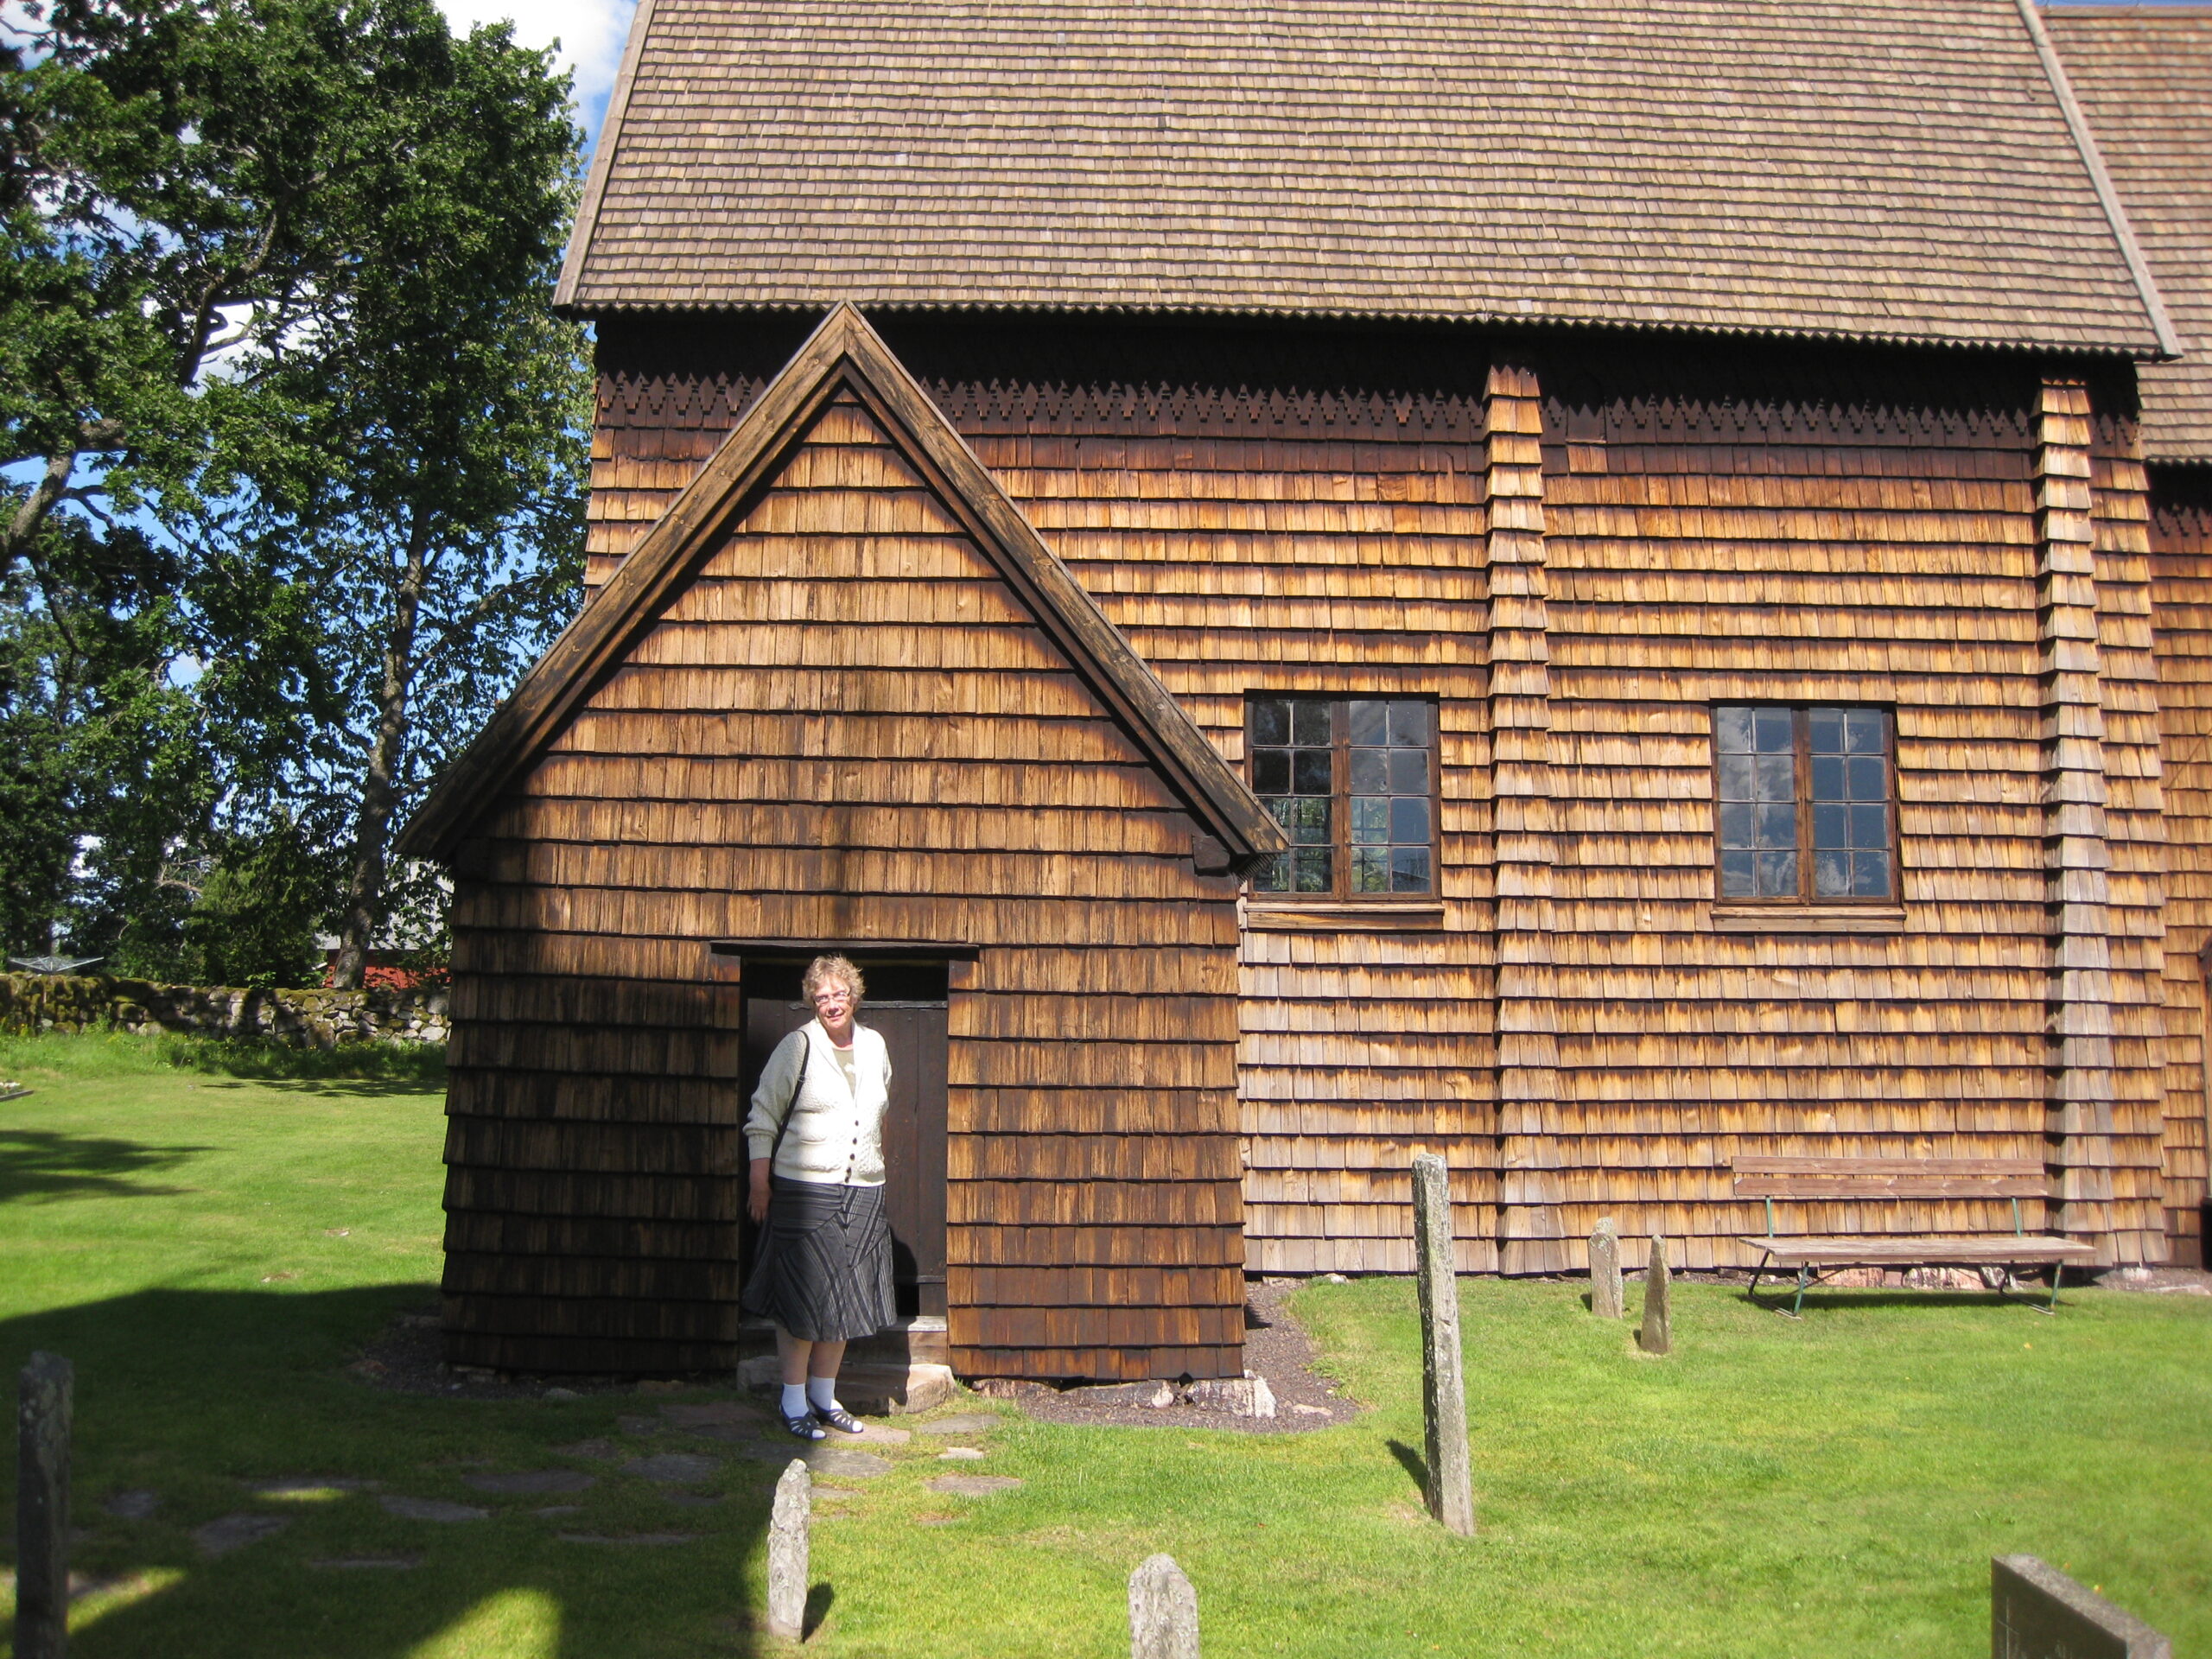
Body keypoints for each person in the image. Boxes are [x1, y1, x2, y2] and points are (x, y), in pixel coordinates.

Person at [741, 954, 898, 1440]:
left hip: (864, 1190)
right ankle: (792, 1400)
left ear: (855, 995)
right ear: (813, 1001)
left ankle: (824, 1397)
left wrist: (867, 1163)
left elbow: (879, 1111)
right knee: (801, 1300)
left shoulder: (874, 1045)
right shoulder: (797, 1046)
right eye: (822, 996)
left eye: (839, 993)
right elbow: (763, 1116)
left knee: (846, 1299)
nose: (832, 1003)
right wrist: (759, 1182)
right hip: (804, 1191)